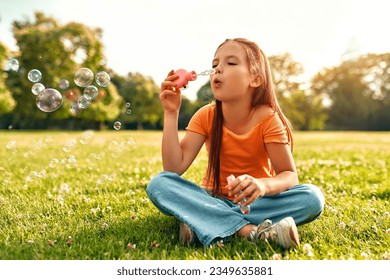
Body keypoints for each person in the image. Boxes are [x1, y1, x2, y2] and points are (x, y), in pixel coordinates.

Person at [146, 38, 325, 249]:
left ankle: (202, 222)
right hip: (213, 199)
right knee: (160, 184)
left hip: (256, 204)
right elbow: (174, 168)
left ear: (255, 79)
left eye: (230, 63)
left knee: (313, 198)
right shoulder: (206, 115)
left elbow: (289, 175)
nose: (218, 69)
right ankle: (249, 232)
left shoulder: (268, 119)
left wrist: (262, 185)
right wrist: (171, 112)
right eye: (214, 65)